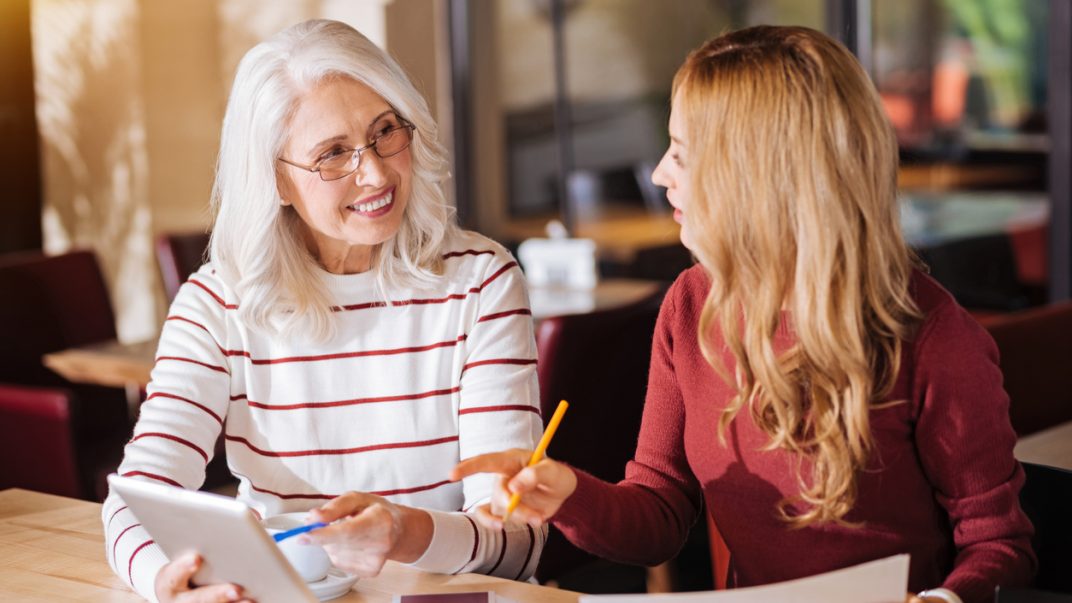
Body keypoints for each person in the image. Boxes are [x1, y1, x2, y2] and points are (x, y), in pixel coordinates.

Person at [453, 25, 1034, 603]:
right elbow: (658, 515)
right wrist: (569, 494)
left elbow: (1000, 546)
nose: (658, 174)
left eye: (680, 153)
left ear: (757, 174)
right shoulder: (690, 304)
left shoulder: (933, 337)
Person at [103, 19, 545, 602]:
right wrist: (168, 583)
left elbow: (518, 541)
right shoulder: (217, 306)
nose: (376, 172)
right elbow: (136, 498)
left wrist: (405, 533)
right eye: (333, 154)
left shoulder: (480, 281)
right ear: (276, 181)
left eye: (385, 132)